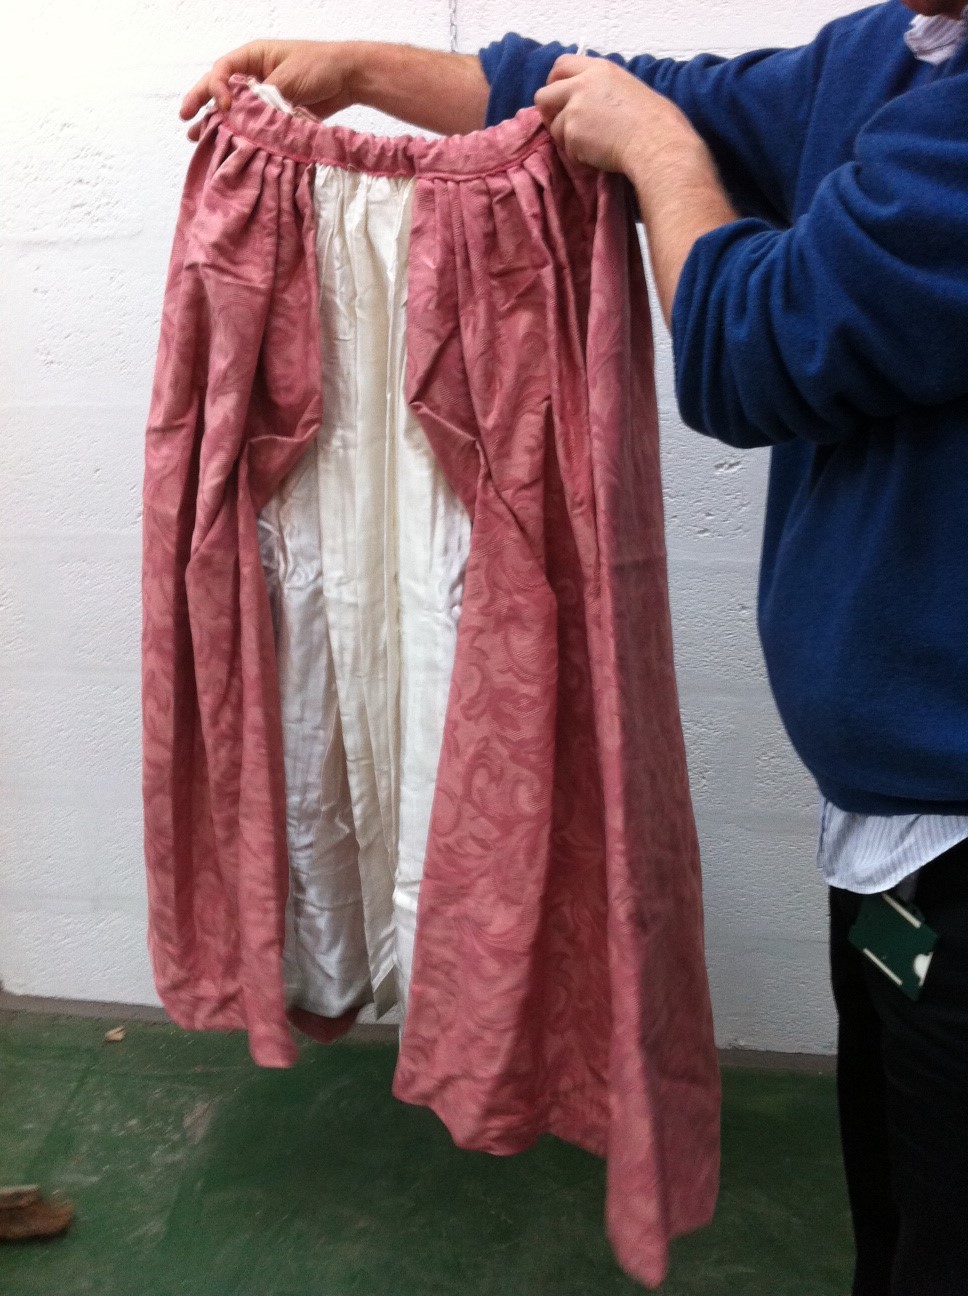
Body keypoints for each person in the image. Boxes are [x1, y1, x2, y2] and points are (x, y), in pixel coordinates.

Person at [180, 5, 968, 1292]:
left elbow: (753, 349)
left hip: (950, 827)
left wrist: (653, 151)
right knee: (898, 1180)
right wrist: (360, 71)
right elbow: (647, 93)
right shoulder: (901, 51)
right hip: (896, 821)